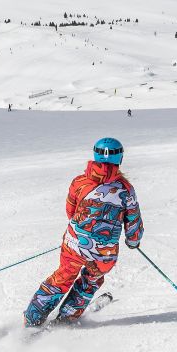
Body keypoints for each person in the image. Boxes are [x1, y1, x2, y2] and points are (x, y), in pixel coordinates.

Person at [24, 138, 143, 327]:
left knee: (64, 275)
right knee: (91, 280)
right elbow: (133, 221)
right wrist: (133, 241)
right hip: (103, 253)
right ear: (120, 158)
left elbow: (70, 211)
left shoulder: (80, 182)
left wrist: (81, 232)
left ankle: (34, 316)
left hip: (74, 243)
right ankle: (66, 318)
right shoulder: (126, 190)